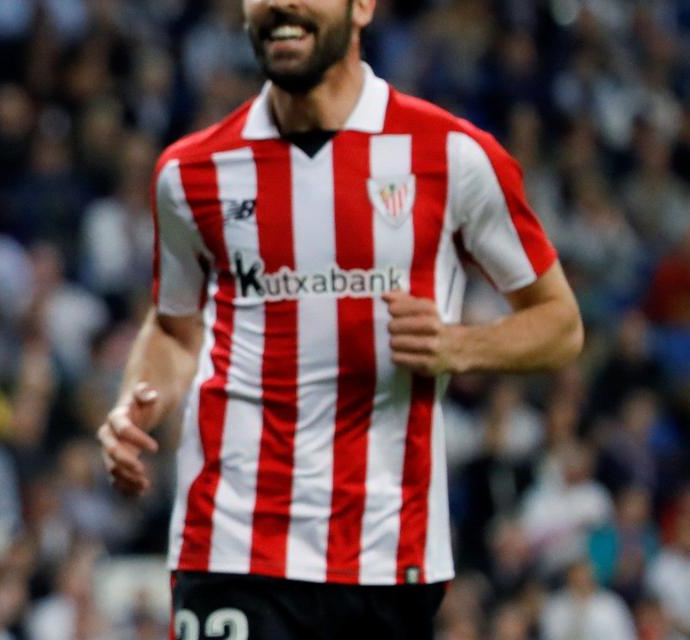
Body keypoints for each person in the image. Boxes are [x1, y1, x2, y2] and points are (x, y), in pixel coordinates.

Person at [94, 0, 582, 638]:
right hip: (233, 539)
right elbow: (174, 327)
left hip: (387, 551)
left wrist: (459, 348)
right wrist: (138, 401)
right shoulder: (190, 173)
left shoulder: (452, 155)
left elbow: (560, 325)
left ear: (363, 6)